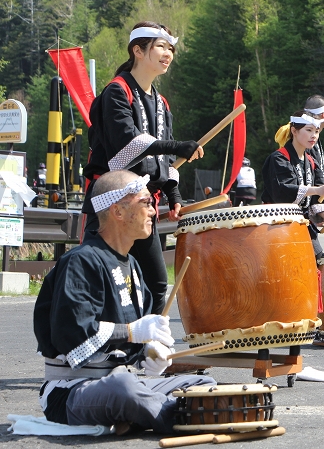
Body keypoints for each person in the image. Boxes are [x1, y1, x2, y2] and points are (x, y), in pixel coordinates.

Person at [34, 170, 216, 434]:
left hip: (123, 380)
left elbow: (129, 347)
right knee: (125, 391)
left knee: (203, 384)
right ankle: (179, 417)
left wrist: (149, 354)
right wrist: (133, 332)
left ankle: (148, 415)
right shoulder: (81, 261)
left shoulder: (132, 265)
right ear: (117, 211)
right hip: (72, 390)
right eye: (145, 202)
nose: (154, 211)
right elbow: (74, 336)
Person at [82, 21, 204, 314]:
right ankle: (92, 344)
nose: (168, 53)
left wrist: (174, 193)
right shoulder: (116, 91)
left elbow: (163, 157)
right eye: (161, 46)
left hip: (143, 203)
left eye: (170, 48)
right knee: (99, 277)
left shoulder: (162, 103)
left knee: (155, 282)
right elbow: (126, 144)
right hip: (112, 203)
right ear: (138, 50)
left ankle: (149, 349)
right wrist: (175, 147)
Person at [263, 112, 324, 257]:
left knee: (318, 259)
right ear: (294, 131)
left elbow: (316, 198)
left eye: (316, 131)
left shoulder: (311, 161)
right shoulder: (279, 158)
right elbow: (282, 191)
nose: (313, 135)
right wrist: (316, 190)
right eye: (308, 130)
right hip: (277, 224)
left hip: (302, 223)